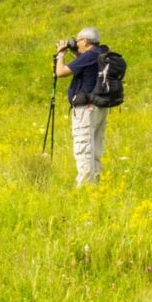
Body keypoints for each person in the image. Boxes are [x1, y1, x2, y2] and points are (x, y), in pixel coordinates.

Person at [56, 26, 110, 187]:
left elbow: (60, 72)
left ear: (85, 41)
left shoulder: (88, 57)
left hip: (85, 109)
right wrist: (74, 51)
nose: (76, 42)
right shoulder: (101, 53)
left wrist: (61, 54)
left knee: (84, 146)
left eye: (78, 40)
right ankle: (95, 183)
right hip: (99, 107)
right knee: (94, 147)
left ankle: (85, 186)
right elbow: (83, 63)